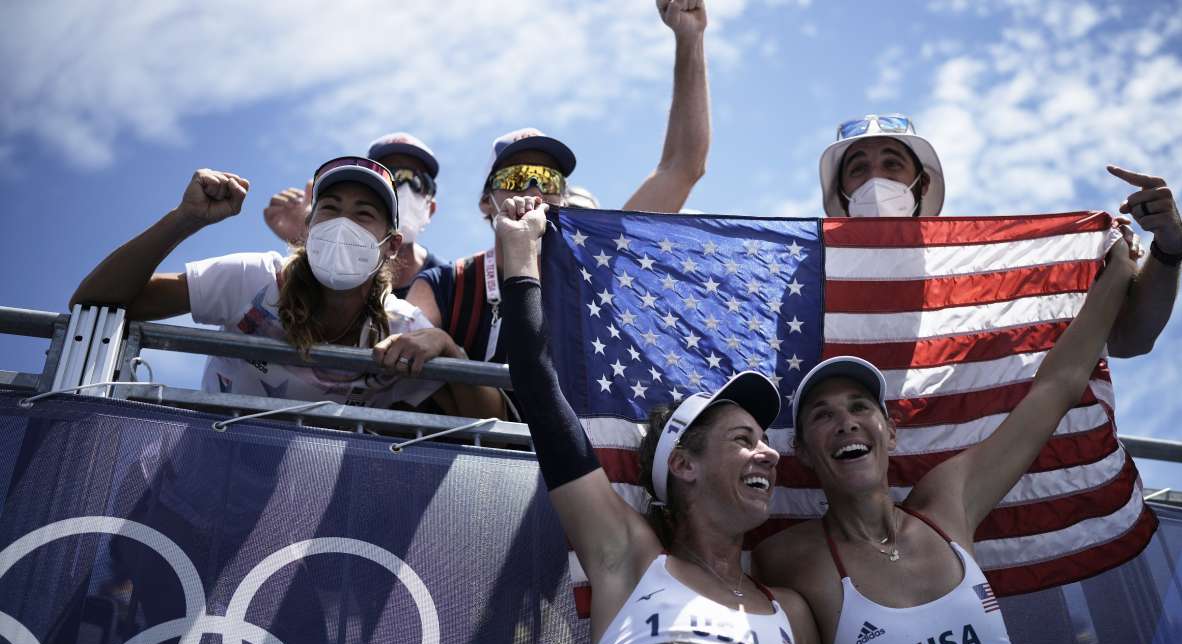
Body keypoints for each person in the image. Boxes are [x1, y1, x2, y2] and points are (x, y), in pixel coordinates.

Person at [752, 235, 1136, 644]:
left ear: (890, 433)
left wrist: (1120, 272)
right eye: (823, 415)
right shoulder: (785, 558)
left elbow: (1059, 385)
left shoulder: (946, 508)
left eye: (860, 407)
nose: (846, 423)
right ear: (803, 453)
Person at [497, 194, 825, 644]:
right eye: (743, 439)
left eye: (764, 440)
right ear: (683, 464)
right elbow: (539, 389)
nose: (770, 453)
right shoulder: (626, 557)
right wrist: (519, 252)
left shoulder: (793, 614)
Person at [408, 0, 711, 372]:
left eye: (549, 179)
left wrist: (690, 37)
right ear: (486, 202)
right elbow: (409, 341)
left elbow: (682, 166)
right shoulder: (447, 284)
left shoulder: (596, 265)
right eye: (516, 178)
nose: (534, 189)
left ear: (563, 197)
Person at [70, 157, 503, 418]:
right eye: (330, 209)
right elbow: (93, 299)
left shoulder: (402, 325)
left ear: (390, 246)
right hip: (193, 485)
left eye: (364, 214)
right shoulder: (251, 279)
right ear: (307, 229)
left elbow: (493, 420)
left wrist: (446, 346)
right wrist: (185, 219)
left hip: (301, 523)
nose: (342, 224)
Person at [817, 113, 1182, 358]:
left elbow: (1131, 339)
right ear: (842, 191)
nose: (876, 179)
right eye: (859, 168)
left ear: (922, 182)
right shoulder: (807, 277)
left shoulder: (992, 265)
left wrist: (1169, 250)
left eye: (892, 163)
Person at [263, 131, 447, 298]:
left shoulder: (450, 285)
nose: (406, 190)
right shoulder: (266, 274)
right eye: (391, 175)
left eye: (420, 181)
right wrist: (311, 239)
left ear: (430, 209)